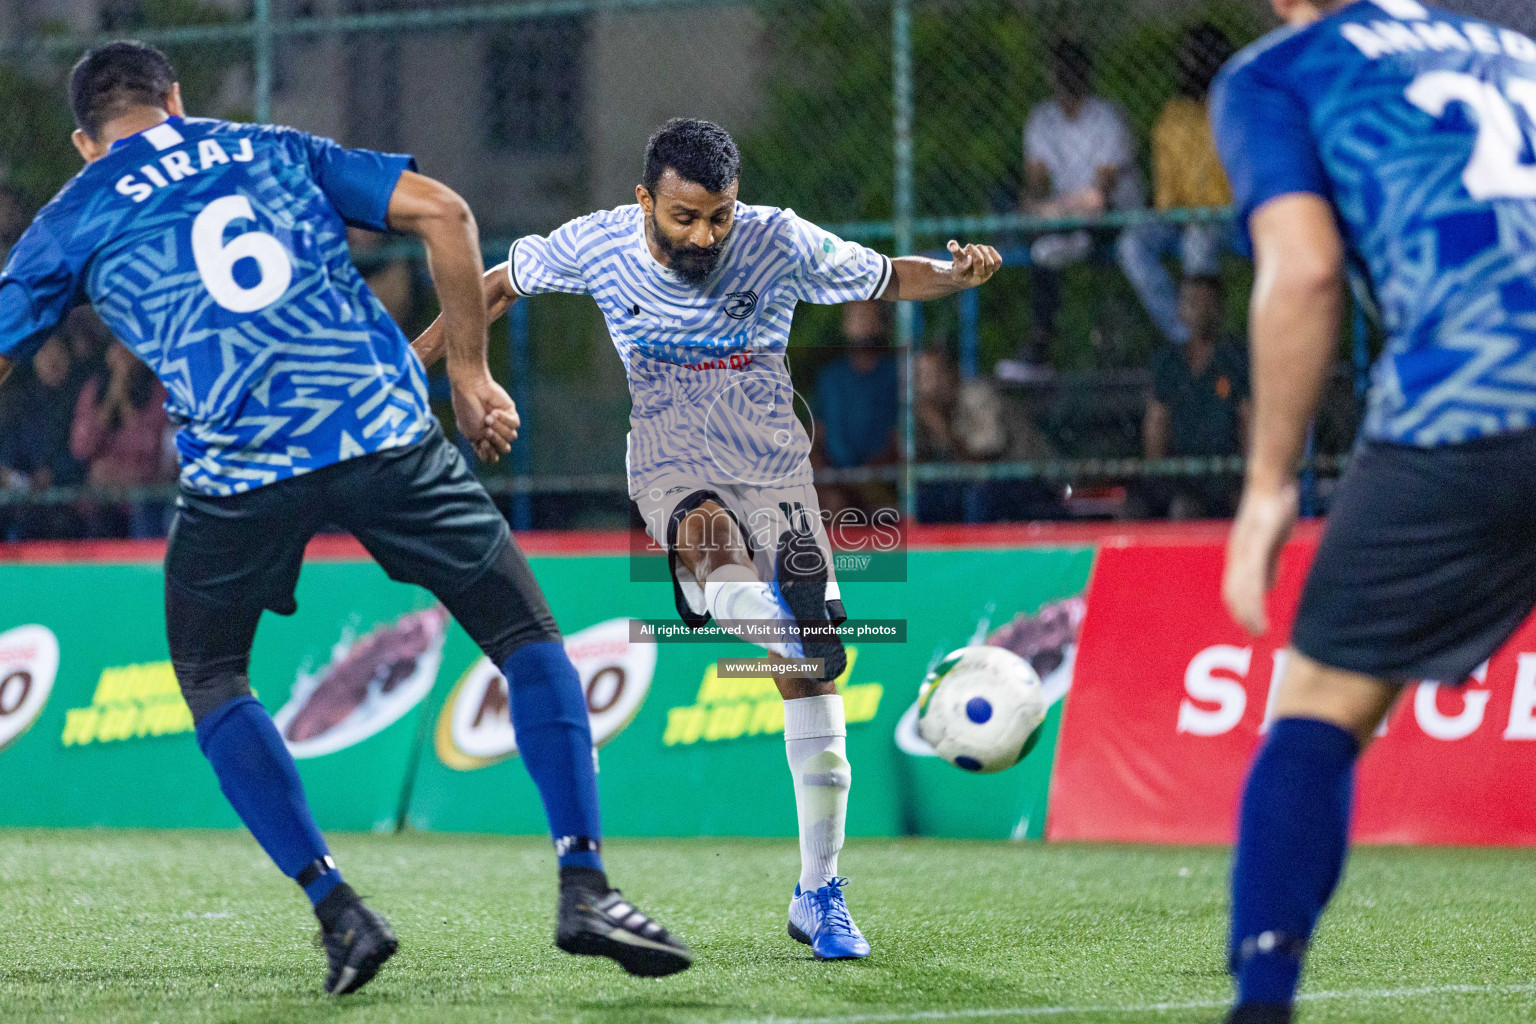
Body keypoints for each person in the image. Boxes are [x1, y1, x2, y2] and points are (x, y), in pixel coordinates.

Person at [0, 42, 689, 995]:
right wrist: (469, 373)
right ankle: (585, 884)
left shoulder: (72, 215)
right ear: (176, 98)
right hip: (380, 432)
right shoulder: (268, 146)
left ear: (86, 141)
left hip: (240, 469)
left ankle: (339, 910)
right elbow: (444, 213)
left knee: (210, 674)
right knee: (527, 636)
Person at [412, 118, 1001, 960]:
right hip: (670, 456)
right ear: (645, 199)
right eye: (685, 216)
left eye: (718, 215)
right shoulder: (598, 245)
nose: (705, 234)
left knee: (810, 684)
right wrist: (415, 367)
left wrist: (958, 274)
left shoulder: (778, 240)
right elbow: (497, 282)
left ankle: (819, 892)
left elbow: (886, 281)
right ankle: (752, 605)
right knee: (734, 570)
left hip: (774, 468)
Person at [1212, 2, 1536, 1021]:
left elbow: (1304, 269)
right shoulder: (1514, 48)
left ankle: (1263, 999)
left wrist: (1270, 485)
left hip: (1474, 403)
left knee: (1317, 712)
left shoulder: (1283, 73)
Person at [999, 39, 1184, 381]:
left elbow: (1101, 192)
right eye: (1059, 68)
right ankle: (1039, 348)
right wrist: (1035, 205)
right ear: (1050, 74)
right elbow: (1037, 182)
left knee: (1079, 223)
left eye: (1072, 66)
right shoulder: (1043, 120)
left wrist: (1050, 210)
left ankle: (1077, 240)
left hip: (1113, 216)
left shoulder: (1107, 118)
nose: (1065, 76)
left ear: (1085, 72)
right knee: (1036, 238)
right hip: (1066, 217)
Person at [1142, 275, 1249, 519]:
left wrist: (1246, 478)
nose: (1201, 310)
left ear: (1221, 309)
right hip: (1178, 471)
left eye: (1208, 303)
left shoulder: (1235, 359)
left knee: (1184, 510)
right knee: (1134, 508)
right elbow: (1156, 421)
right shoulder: (1168, 361)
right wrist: (1156, 476)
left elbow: (1247, 419)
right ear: (1180, 309)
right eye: (1192, 302)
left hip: (1223, 472)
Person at [1150, 23, 1236, 282]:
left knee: (1198, 240)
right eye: (1189, 57)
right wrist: (1172, 211)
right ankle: (1179, 324)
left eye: (1201, 56)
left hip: (1227, 217)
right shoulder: (1174, 115)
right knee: (1133, 244)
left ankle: (1203, 320)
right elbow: (1165, 195)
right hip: (1181, 216)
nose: (1194, 64)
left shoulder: (1236, 106)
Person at [70, 340, 173, 536]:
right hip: (103, 494)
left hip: (146, 493)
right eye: (118, 350)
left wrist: (124, 396)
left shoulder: (158, 390)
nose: (123, 357)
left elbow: (149, 445)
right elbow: (81, 447)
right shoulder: (95, 388)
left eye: (129, 350)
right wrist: (112, 396)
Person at [811, 301, 899, 515]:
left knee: (888, 508)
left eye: (868, 315)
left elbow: (900, 439)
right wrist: (827, 481)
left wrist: (869, 477)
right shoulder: (831, 378)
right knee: (831, 506)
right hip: (835, 482)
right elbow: (813, 438)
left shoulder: (895, 375)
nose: (862, 322)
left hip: (883, 481)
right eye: (854, 315)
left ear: (881, 323)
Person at [0, 333, 88, 538]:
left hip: (72, 495)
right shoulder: (22, 401)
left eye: (58, 351)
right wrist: (13, 473)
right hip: (24, 497)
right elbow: (12, 446)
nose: (52, 359)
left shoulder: (80, 395)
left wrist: (54, 474)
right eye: (44, 352)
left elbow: (81, 451)